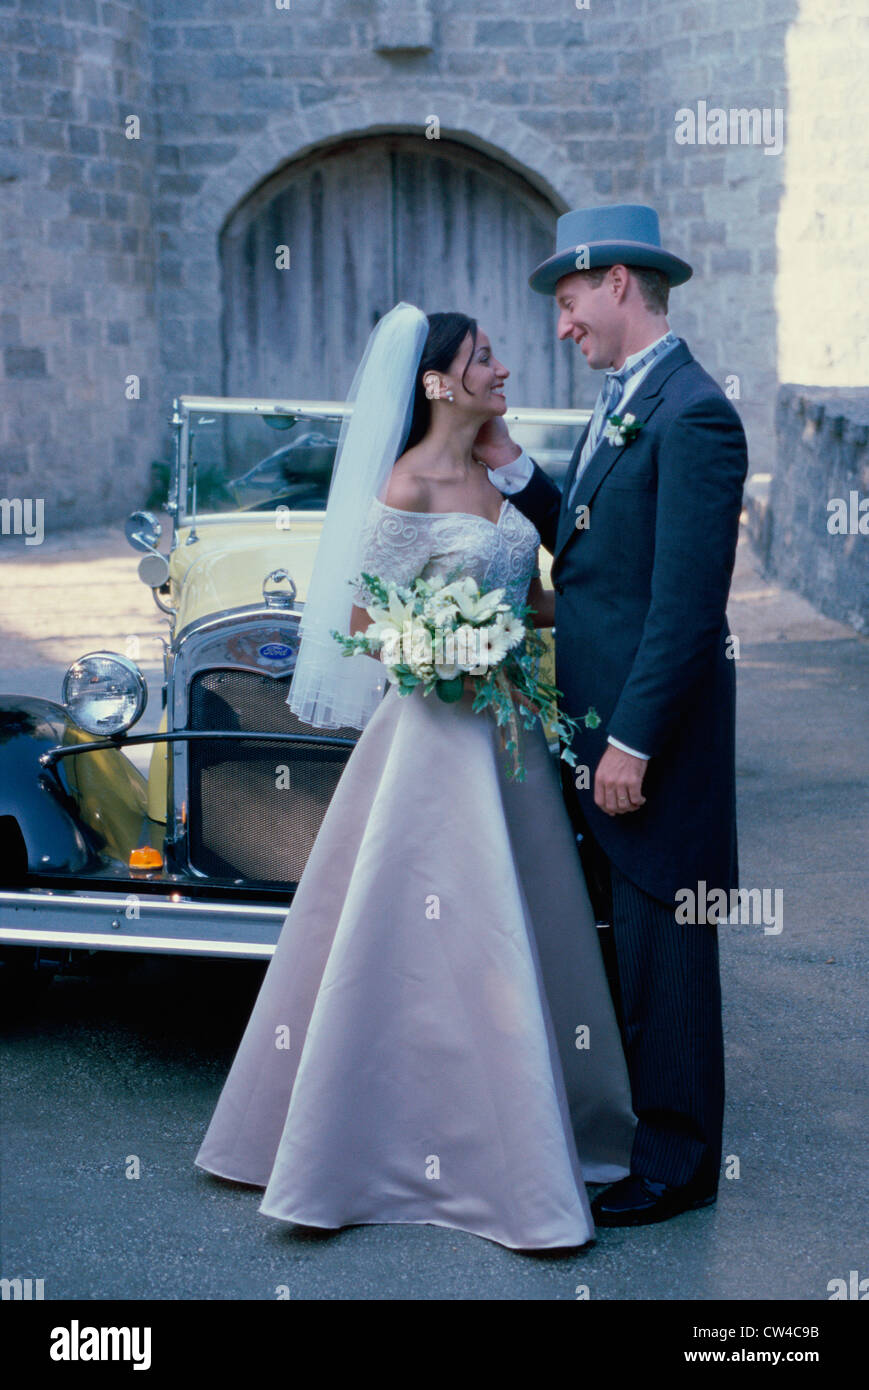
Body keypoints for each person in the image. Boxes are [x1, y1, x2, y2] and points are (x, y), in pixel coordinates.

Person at [194, 304, 636, 1251]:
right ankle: (377, 1152)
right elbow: (360, 622)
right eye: (485, 358)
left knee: (520, 926)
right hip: (434, 741)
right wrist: (444, 645)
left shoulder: (493, 472)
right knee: (427, 933)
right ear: (438, 381)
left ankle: (538, 1136)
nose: (504, 366)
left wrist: (561, 616)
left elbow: (536, 598)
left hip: (505, 738)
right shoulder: (408, 483)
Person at [474, 204, 749, 1227]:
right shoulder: (627, 400)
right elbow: (591, 558)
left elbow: (683, 607)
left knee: (665, 946)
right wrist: (510, 468)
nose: (560, 325)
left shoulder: (693, 413)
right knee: (627, 947)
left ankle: (676, 1166)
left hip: (651, 747)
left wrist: (628, 740)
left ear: (618, 284)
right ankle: (642, 1135)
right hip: (593, 730)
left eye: (567, 299)